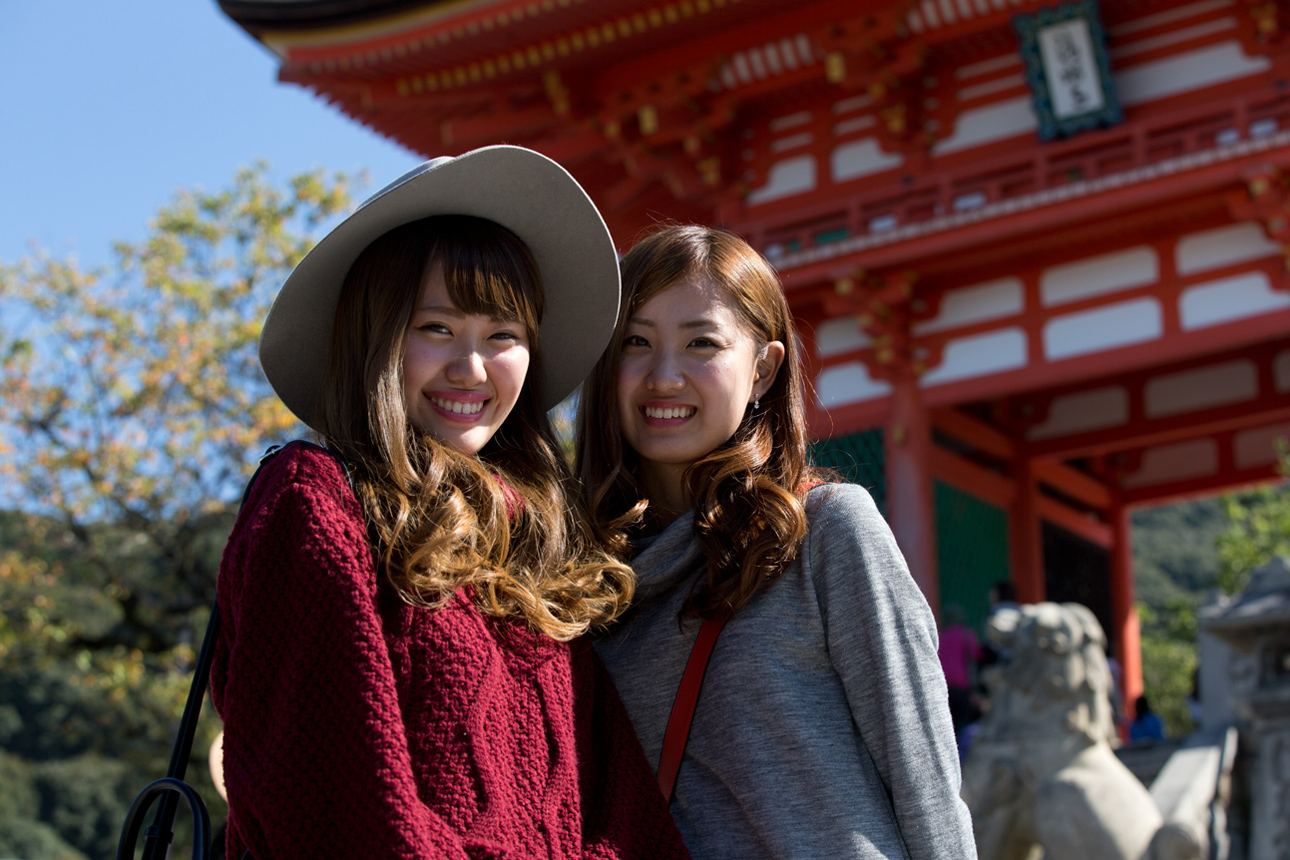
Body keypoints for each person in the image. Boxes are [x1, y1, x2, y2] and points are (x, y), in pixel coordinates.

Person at [210, 147, 691, 860]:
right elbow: (339, 805)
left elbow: (620, 817)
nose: (472, 368)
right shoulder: (317, 505)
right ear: (377, 337)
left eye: (504, 335)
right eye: (436, 328)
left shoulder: (540, 544)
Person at [576, 225, 976, 860]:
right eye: (636, 342)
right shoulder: (578, 582)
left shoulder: (826, 533)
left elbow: (923, 777)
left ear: (763, 370)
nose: (664, 376)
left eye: (701, 343)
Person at [937, 604, 983, 736]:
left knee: (950, 724)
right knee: (964, 722)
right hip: (962, 687)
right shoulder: (966, 634)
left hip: (944, 687)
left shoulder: (941, 636)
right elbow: (977, 655)